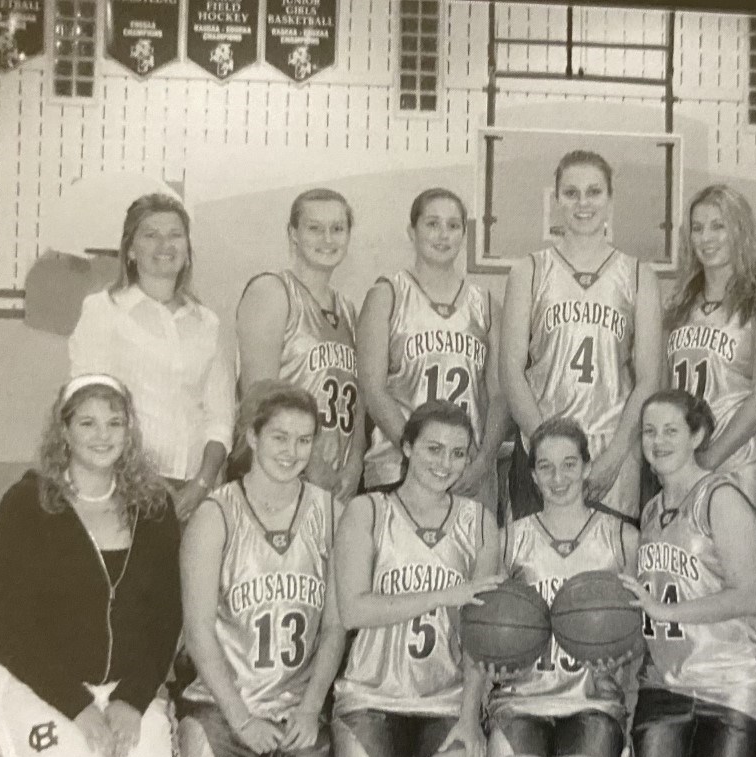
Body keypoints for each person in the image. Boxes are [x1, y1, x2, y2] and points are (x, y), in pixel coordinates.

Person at [0, 374, 188, 757]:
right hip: (43, 685)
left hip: (123, 689)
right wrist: (79, 709)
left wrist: (132, 700)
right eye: (88, 422)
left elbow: (166, 619)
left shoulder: (154, 507)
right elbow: (4, 630)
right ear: (64, 431)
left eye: (115, 422)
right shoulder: (26, 505)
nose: (102, 435)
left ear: (129, 431)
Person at [178, 383, 344, 757]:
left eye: (304, 439)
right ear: (251, 437)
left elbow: (333, 628)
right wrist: (242, 719)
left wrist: (311, 710)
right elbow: (197, 632)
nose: (292, 452)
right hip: (224, 704)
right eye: (279, 437)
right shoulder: (216, 515)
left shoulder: (330, 513)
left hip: (294, 710)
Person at [331, 401, 502, 757]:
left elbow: (481, 634)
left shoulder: (480, 522)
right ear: (406, 447)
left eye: (458, 453)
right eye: (433, 449)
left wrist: (469, 716)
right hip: (373, 695)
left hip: (444, 697)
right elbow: (354, 610)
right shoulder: (367, 511)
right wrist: (446, 594)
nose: (445, 464)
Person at [621, 389, 756, 757]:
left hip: (732, 679)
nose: (658, 441)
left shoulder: (721, 497)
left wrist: (666, 612)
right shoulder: (650, 512)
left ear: (698, 434)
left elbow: (750, 597)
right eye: (649, 431)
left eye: (671, 430)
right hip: (669, 683)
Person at [485, 417, 640, 757]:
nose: (559, 478)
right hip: (522, 700)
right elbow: (478, 627)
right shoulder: (508, 540)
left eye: (570, 464)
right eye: (547, 467)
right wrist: (490, 668)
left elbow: (647, 629)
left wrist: (625, 656)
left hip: (593, 701)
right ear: (532, 475)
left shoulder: (623, 538)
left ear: (588, 467)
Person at [500, 149, 662, 524]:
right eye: (571, 193)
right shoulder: (528, 270)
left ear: (609, 199)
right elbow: (511, 371)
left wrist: (616, 455)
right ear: (556, 199)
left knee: (604, 577)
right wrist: (548, 450)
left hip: (611, 451)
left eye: (594, 192)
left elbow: (649, 378)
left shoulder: (638, 275)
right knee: (532, 574)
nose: (582, 202)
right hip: (538, 445)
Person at [69, 192, 234, 521]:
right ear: (130, 250)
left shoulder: (207, 324)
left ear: (187, 250)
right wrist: (134, 483)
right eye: (151, 235)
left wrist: (201, 484)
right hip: (125, 490)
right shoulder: (103, 311)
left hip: (196, 493)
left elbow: (220, 419)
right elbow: (87, 407)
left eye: (175, 234)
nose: (165, 244)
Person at [357, 188, 506, 504]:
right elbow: (373, 390)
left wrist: (482, 462)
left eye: (453, 226)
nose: (443, 235)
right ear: (412, 231)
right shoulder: (387, 295)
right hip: (398, 468)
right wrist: (423, 456)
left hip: (467, 474)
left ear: (464, 234)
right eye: (432, 224)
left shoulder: (486, 305)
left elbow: (499, 396)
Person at [665, 184, 756, 523]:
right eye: (698, 227)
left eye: (718, 226)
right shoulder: (679, 304)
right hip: (682, 460)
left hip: (740, 460)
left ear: (740, 230)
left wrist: (707, 459)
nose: (707, 237)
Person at [236, 188, 365, 504]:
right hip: (280, 471)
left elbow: (359, 399)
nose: (327, 238)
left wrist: (356, 460)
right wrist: (311, 461)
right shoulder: (272, 291)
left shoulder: (348, 309)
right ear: (293, 233)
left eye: (337, 229)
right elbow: (260, 396)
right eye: (314, 228)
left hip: (336, 480)